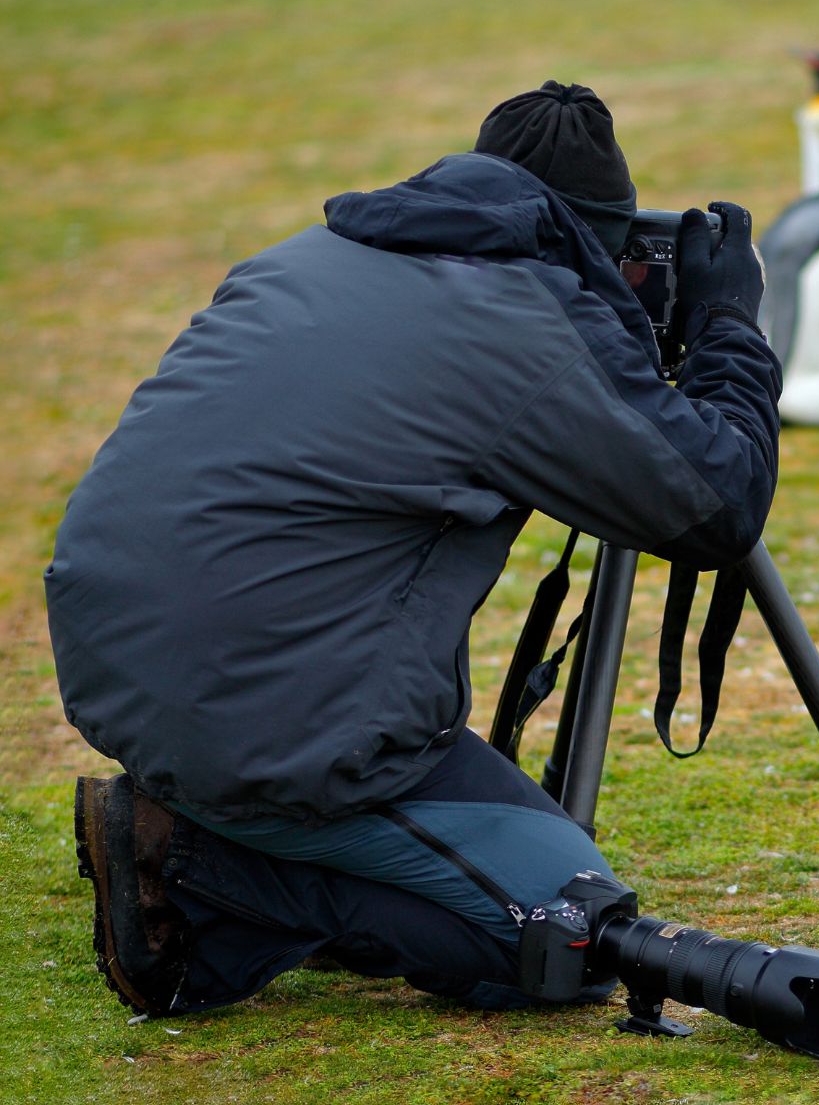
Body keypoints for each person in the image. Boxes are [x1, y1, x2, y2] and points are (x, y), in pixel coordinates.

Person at [45, 81, 781, 1015]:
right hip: (280, 729)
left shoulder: (299, 259)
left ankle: (191, 811)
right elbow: (718, 503)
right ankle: (192, 870)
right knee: (568, 939)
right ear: (590, 240)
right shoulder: (525, 315)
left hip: (128, 674)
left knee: (465, 853)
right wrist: (725, 328)